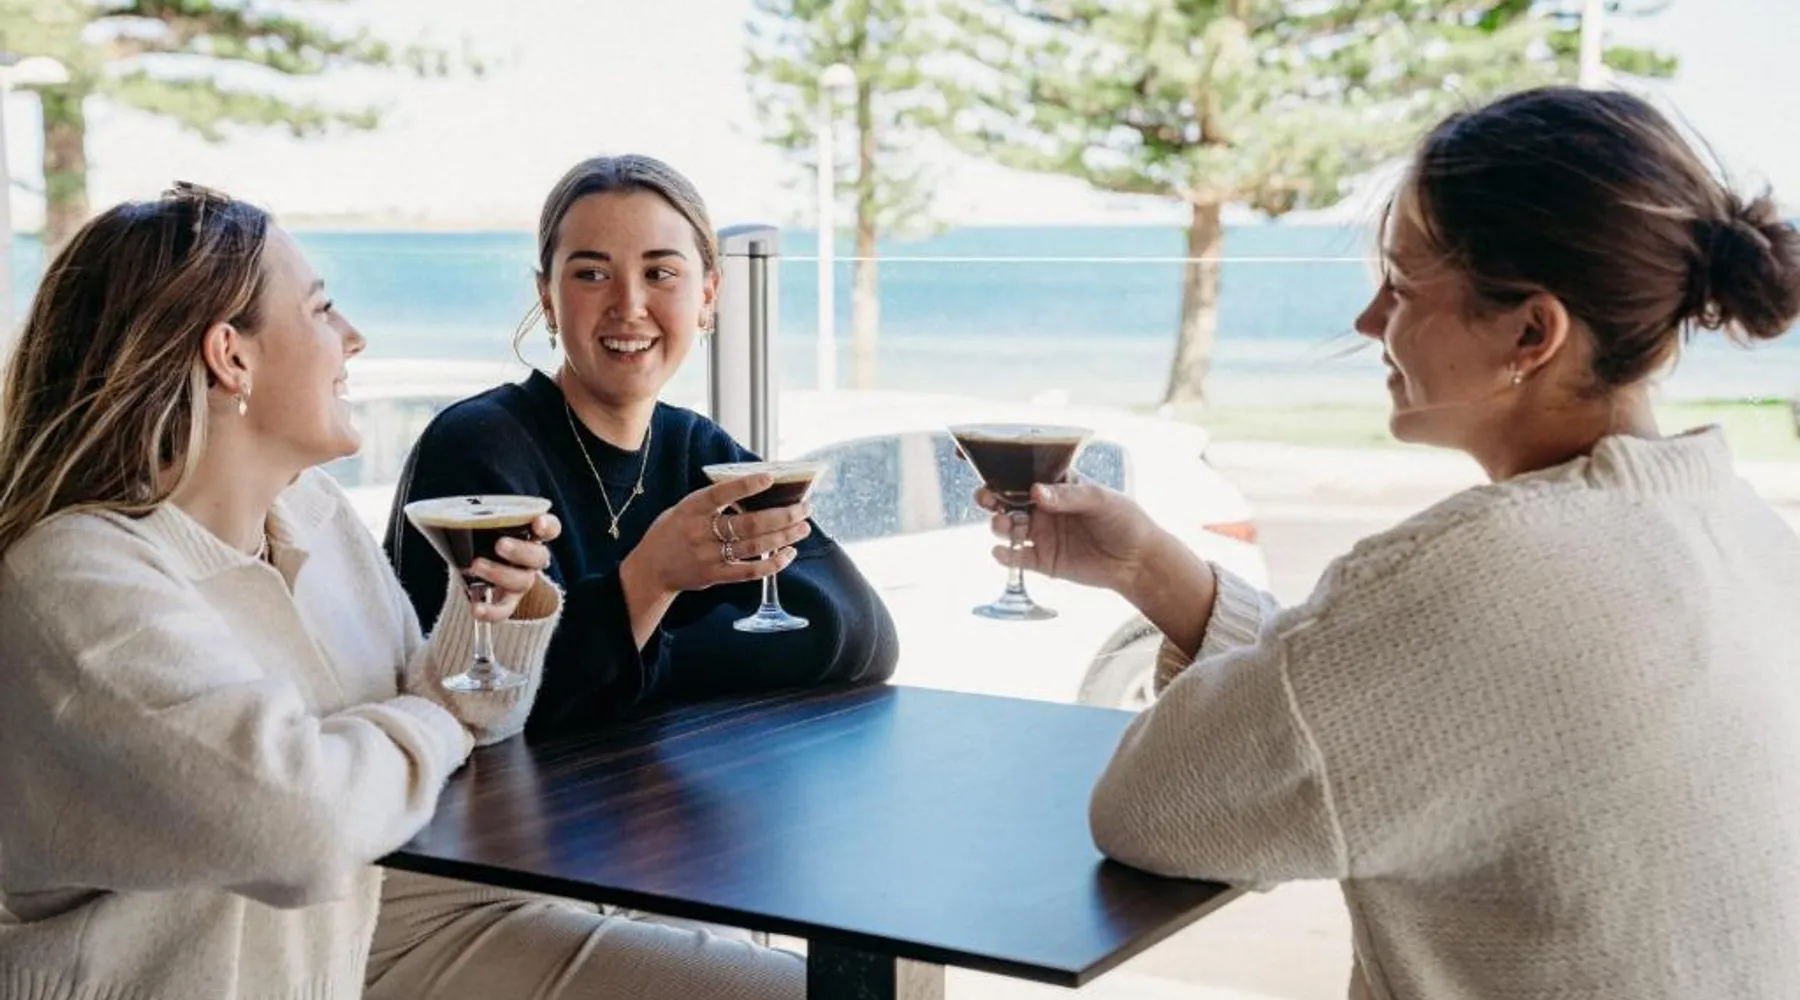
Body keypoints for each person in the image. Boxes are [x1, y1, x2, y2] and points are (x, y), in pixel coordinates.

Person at [991, 87, 1800, 999]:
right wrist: (1146, 566)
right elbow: (1360, 711)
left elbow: (1152, 809)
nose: (1370, 321)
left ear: (1532, 332)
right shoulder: (1741, 533)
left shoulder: (1486, 574)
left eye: (1402, 287)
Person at [0, 185, 567, 996]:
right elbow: (307, 822)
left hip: (359, 959)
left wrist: (490, 625)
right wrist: (438, 715)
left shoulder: (310, 515)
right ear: (230, 356)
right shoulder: (71, 578)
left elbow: (455, 724)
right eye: (322, 309)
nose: (354, 336)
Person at [385, 154, 897, 738]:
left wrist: (648, 656)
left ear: (708, 295)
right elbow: (469, 702)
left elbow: (861, 634)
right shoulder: (478, 448)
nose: (628, 305)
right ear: (547, 297)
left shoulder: (695, 448)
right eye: (591, 274)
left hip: (650, 787)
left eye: (660, 273)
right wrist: (650, 580)